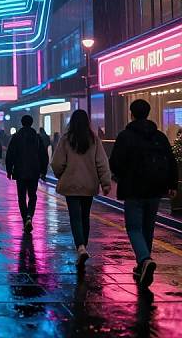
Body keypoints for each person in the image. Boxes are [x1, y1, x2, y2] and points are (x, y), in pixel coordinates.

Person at [110, 99, 178, 289]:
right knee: (148, 227)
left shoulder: (125, 136)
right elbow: (171, 161)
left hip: (133, 189)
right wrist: (172, 184)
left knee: (133, 227)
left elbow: (115, 162)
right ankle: (143, 266)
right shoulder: (159, 136)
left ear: (131, 114)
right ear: (148, 114)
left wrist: (120, 176)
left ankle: (144, 259)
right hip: (155, 189)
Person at [52, 109, 111, 271]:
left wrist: (60, 174)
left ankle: (80, 247)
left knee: (75, 217)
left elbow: (57, 163)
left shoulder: (66, 139)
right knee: (85, 216)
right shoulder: (94, 140)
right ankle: (83, 245)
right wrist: (105, 183)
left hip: (71, 184)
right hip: (89, 184)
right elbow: (102, 163)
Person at [6, 115, 49, 232]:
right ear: (31, 123)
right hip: (34, 171)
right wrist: (43, 171)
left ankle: (25, 219)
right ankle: (30, 215)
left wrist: (9, 170)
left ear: (21, 123)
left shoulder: (16, 137)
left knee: (21, 197)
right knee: (32, 196)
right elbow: (44, 156)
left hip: (20, 171)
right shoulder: (37, 137)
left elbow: (10, 154)